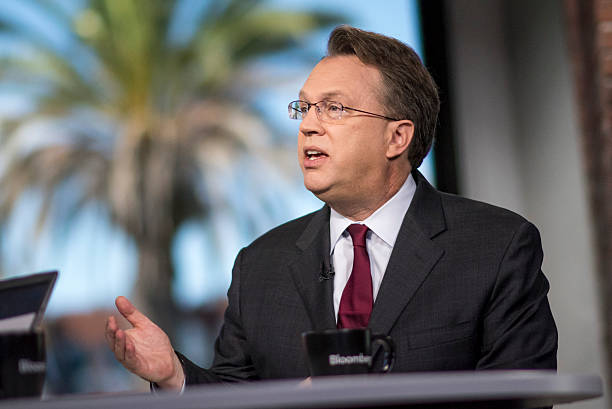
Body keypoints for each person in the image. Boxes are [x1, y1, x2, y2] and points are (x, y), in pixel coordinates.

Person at [105, 25, 557, 391]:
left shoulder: (495, 246)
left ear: (397, 137)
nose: (308, 126)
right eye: (304, 108)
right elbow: (236, 398)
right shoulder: (259, 266)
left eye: (334, 108)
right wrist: (175, 376)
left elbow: (522, 398)